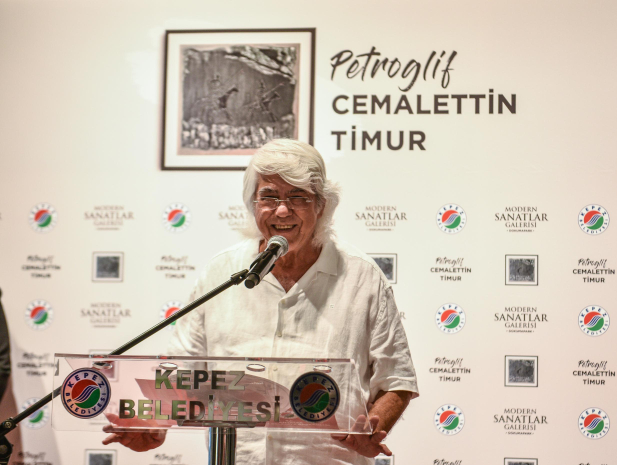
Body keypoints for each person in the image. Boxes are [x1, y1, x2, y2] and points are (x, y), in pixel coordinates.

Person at [103, 139, 418, 464]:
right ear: (252, 204)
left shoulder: (362, 276)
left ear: (321, 205)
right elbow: (184, 370)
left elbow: (397, 379)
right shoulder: (222, 272)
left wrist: (372, 427)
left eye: (298, 197)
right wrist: (155, 421)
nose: (282, 210)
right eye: (269, 197)